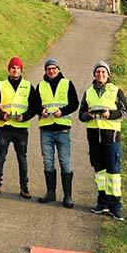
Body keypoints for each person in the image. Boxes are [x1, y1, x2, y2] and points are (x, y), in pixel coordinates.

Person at [78, 60, 127, 220]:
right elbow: (81, 115)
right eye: (98, 72)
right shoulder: (88, 92)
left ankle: (116, 206)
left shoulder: (116, 91)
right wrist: (89, 115)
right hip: (93, 138)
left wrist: (110, 114)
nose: (100, 74)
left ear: (108, 75)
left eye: (103, 72)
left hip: (111, 137)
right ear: (94, 74)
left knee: (113, 172)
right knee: (99, 172)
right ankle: (103, 202)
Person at [28, 58, 79, 208]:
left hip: (62, 128)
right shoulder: (41, 85)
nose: (51, 71)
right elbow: (34, 104)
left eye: (54, 68)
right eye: (49, 68)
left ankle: (68, 196)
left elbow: (74, 103)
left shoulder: (67, 83)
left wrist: (62, 111)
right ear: (45, 71)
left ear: (58, 69)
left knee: (65, 162)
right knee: (48, 161)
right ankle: (51, 193)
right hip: (46, 129)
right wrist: (40, 111)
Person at [0, 57, 33, 198]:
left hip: (21, 128)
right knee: (1, 156)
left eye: (18, 68)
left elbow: (34, 106)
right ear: (9, 69)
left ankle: (24, 187)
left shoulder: (28, 85)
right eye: (13, 67)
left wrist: (24, 117)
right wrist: (2, 115)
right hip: (5, 127)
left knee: (22, 158)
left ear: (21, 70)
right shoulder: (1, 85)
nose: (15, 70)